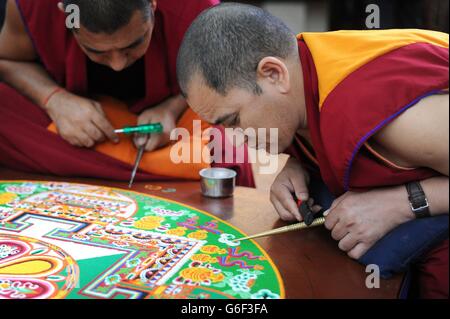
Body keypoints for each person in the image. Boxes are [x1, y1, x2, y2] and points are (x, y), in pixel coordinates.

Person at [176, 3, 449, 298]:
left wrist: (404, 202)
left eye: (234, 121)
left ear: (273, 73)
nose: (237, 139)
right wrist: (300, 161)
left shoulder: (397, 118)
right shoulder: (300, 75)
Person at [0, 0, 254, 186]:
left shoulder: (196, 9)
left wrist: (173, 107)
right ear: (65, 14)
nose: (117, 65)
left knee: (225, 149)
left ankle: (89, 166)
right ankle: (160, 169)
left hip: (177, 114)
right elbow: (8, 60)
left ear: (153, 5)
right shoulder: (33, 4)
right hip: (75, 109)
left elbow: (222, 77)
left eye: (133, 44)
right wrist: (53, 99)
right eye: (96, 51)